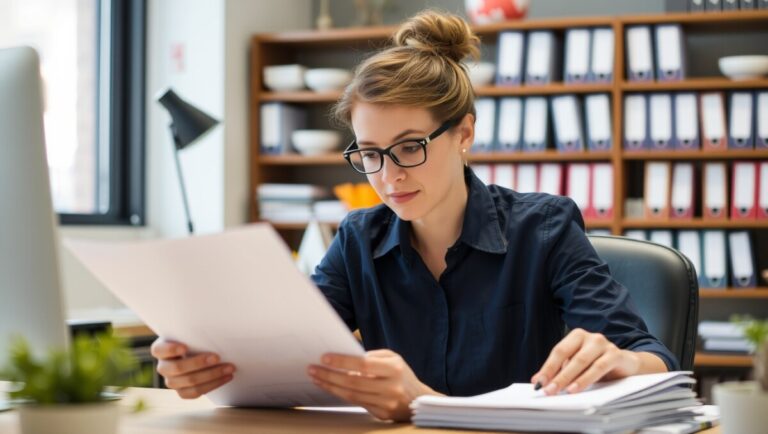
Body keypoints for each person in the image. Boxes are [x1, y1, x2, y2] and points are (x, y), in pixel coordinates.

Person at [151, 9, 677, 423]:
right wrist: (215, 368)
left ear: (464, 134)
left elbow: (657, 360)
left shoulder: (545, 227)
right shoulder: (358, 238)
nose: (388, 176)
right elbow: (295, 359)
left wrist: (623, 360)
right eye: (370, 153)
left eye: (408, 148)